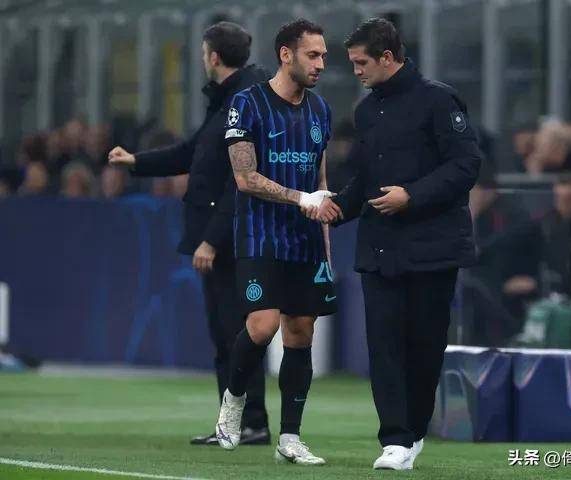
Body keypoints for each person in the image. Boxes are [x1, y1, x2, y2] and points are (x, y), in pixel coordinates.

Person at [314, 18, 482, 470]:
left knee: (425, 348)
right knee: (383, 344)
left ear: (387, 58)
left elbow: (466, 164)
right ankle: (394, 439)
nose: (356, 72)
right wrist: (336, 208)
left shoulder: (439, 100)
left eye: (361, 63)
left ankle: (414, 431)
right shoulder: (367, 112)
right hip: (381, 246)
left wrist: (413, 195)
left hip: (433, 247)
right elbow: (364, 179)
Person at [108, 22, 271, 446]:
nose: (202, 59)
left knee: (236, 332)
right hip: (226, 235)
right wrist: (136, 161)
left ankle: (249, 423)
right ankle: (235, 424)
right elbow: (191, 153)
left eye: (203, 53)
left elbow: (239, 182)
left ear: (213, 57)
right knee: (226, 334)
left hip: (232, 238)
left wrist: (211, 239)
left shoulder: (240, 103)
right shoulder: (228, 101)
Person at [214, 19, 339, 466]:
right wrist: (299, 198)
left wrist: (326, 245)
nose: (321, 64)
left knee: (301, 332)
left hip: (305, 242)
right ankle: (233, 400)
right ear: (286, 55)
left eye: (323, 56)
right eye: (313, 55)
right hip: (260, 235)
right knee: (262, 326)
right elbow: (244, 178)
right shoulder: (247, 104)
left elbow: (320, 180)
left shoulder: (321, 110)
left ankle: (290, 438)